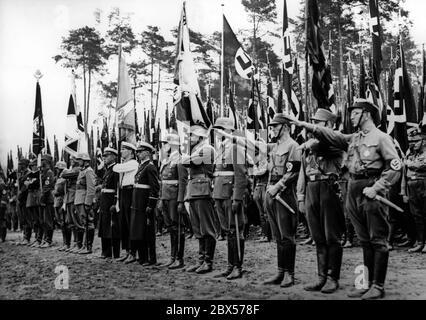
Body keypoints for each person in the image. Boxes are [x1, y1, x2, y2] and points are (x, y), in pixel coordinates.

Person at [286, 99, 402, 299]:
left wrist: (377, 187)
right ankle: (366, 284)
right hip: (353, 188)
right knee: (365, 240)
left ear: (366, 114)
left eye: (355, 113)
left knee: (378, 240)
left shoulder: (381, 138)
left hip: (371, 189)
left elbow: (395, 167)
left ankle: (378, 285)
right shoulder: (354, 138)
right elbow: (332, 135)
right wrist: (304, 125)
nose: (351, 117)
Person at [296, 109, 345, 293]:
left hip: (328, 189)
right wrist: (301, 196)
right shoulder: (308, 146)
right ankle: (321, 277)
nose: (313, 127)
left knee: (332, 236)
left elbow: (323, 145)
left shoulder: (335, 141)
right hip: (311, 190)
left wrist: (310, 143)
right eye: (313, 122)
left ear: (328, 125)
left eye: (318, 123)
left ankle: (333, 278)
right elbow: (303, 172)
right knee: (318, 237)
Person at [263, 114, 301, 288]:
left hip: (284, 195)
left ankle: (289, 274)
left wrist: (277, 187)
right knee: (278, 236)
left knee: (287, 236)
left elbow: (293, 173)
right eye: (272, 127)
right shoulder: (276, 146)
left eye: (275, 127)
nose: (273, 130)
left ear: (285, 127)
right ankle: (280, 271)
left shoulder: (293, 146)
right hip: (272, 194)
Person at [212, 118, 248, 280]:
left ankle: (237, 267)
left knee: (235, 230)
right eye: (217, 129)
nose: (218, 132)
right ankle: (230, 265)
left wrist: (237, 198)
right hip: (219, 194)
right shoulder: (220, 148)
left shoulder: (235, 147)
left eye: (221, 129)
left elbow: (241, 175)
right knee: (228, 231)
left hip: (230, 195)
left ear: (229, 131)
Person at [183, 125, 217, 274]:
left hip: (203, 189)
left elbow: (189, 162)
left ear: (201, 137)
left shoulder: (208, 148)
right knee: (197, 228)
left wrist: (187, 157)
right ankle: (201, 260)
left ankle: (208, 262)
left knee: (207, 228)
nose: (189, 138)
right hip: (194, 190)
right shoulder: (197, 150)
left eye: (192, 135)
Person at [157, 133, 188, 269]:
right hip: (166, 197)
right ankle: (172, 257)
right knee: (170, 228)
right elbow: (162, 182)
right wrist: (160, 198)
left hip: (174, 198)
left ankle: (179, 259)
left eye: (165, 143)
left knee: (177, 227)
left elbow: (182, 182)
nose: (163, 146)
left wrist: (181, 201)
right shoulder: (166, 161)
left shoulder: (179, 160)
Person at [129, 141, 160, 266]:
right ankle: (142, 257)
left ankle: (150, 259)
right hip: (138, 203)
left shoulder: (150, 167)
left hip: (145, 204)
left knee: (148, 232)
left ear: (147, 153)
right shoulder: (142, 166)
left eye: (140, 152)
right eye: (137, 152)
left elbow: (155, 188)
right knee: (139, 231)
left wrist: (150, 205)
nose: (138, 154)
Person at [113, 142, 139, 263]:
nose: (121, 151)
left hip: (130, 192)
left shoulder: (133, 163)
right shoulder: (125, 164)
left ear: (131, 152)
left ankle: (133, 251)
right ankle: (128, 251)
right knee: (124, 223)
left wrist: (119, 164)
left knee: (130, 222)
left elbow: (116, 168)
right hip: (123, 192)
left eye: (124, 149)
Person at [404, 125, 426, 253]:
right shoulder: (409, 152)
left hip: (423, 183)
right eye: (411, 142)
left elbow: (421, 165)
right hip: (412, 185)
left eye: (416, 141)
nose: (413, 144)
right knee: (416, 215)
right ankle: (420, 242)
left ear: (423, 140)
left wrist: (409, 164)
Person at [97, 147, 120, 259]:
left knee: (112, 228)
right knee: (104, 227)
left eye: (107, 156)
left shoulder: (116, 169)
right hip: (104, 201)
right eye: (104, 156)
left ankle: (115, 253)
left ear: (114, 156)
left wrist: (115, 203)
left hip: (111, 201)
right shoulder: (107, 170)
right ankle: (105, 251)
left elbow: (117, 188)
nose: (104, 158)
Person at [74, 152, 96, 255]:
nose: (78, 162)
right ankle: (83, 245)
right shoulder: (82, 171)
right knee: (83, 223)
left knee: (88, 222)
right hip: (79, 200)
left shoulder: (89, 171)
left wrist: (88, 203)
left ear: (85, 161)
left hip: (84, 200)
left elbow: (91, 189)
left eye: (79, 160)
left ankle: (88, 246)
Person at [61, 156, 81, 252]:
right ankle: (75, 243)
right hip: (69, 197)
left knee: (76, 221)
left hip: (74, 196)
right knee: (71, 222)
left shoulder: (78, 169)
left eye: (73, 160)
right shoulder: (72, 170)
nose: (71, 161)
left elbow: (64, 175)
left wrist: (65, 171)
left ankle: (78, 243)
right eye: (71, 160)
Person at [39, 154, 55, 248]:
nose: (41, 162)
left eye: (43, 160)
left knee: (48, 221)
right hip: (44, 199)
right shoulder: (43, 173)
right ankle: (45, 239)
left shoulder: (49, 172)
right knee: (43, 221)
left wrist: (43, 198)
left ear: (47, 162)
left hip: (48, 199)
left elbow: (47, 187)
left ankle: (49, 240)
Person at [53, 161, 69, 251]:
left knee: (64, 222)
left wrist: (56, 192)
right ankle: (64, 243)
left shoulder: (64, 178)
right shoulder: (59, 178)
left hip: (62, 200)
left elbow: (61, 190)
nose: (57, 171)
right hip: (57, 201)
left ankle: (67, 243)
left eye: (58, 169)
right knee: (61, 223)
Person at [26, 159, 42, 247]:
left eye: (34, 165)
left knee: (38, 218)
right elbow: (27, 184)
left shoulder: (39, 174)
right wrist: (30, 184)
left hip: (37, 196)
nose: (32, 167)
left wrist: (30, 184)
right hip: (31, 197)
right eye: (31, 165)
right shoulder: (30, 174)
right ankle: (36, 237)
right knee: (33, 219)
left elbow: (35, 184)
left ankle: (39, 238)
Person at [15, 158, 30, 245]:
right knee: (22, 218)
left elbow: (25, 188)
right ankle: (24, 236)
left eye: (20, 164)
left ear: (24, 165)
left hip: (25, 198)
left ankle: (27, 238)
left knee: (26, 218)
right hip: (21, 199)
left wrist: (20, 194)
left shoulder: (28, 174)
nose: (19, 166)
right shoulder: (22, 174)